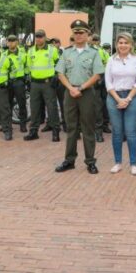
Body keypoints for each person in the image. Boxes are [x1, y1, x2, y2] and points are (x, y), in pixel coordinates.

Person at [55, 20, 106, 174]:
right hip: (70, 93)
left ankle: (90, 161)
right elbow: (60, 73)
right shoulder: (66, 52)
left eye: (81, 32)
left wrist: (81, 88)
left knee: (88, 128)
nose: (78, 35)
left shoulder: (94, 53)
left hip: (87, 94)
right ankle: (69, 160)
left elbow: (97, 74)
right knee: (71, 128)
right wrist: (71, 88)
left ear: (87, 35)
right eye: (76, 32)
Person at [105, 32, 136, 175]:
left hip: (132, 96)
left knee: (131, 131)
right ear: (116, 45)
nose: (123, 45)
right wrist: (118, 99)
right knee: (117, 132)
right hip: (114, 96)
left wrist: (127, 99)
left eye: (126, 42)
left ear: (131, 45)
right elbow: (108, 82)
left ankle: (133, 164)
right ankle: (118, 163)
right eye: (120, 42)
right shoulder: (111, 60)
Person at [25, 29, 61, 142]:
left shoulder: (52, 50)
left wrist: (56, 75)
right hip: (35, 83)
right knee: (34, 108)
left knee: (52, 108)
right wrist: (28, 78)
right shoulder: (30, 51)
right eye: (37, 37)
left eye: (41, 37)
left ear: (45, 37)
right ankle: (33, 131)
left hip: (48, 83)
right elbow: (29, 67)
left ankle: (55, 131)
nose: (39, 39)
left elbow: (59, 63)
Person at [5, 34, 28, 133]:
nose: (11, 43)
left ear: (17, 42)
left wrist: (26, 79)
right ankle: (7, 125)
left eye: (13, 41)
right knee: (7, 105)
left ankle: (23, 124)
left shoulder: (23, 54)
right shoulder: (3, 55)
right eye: (9, 41)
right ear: (7, 43)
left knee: (21, 104)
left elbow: (27, 67)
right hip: (7, 82)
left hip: (19, 82)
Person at [90, 33, 111, 141]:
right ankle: (96, 130)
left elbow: (108, 66)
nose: (95, 41)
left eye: (97, 40)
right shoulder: (87, 52)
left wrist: (102, 79)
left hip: (102, 82)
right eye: (93, 39)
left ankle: (103, 127)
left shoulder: (103, 52)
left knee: (103, 105)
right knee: (95, 107)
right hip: (90, 82)